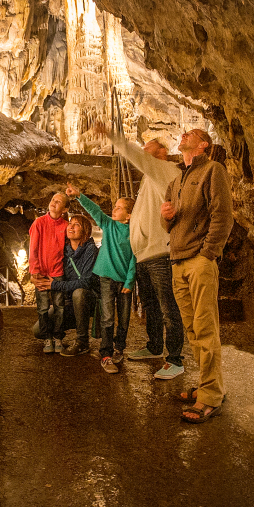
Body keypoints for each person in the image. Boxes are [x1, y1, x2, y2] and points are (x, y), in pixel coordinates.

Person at [94, 122, 184, 379]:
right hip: (144, 255)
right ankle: (155, 347)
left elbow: (135, 156)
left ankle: (175, 358)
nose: (144, 152)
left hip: (160, 254)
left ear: (162, 152)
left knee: (168, 307)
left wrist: (112, 135)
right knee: (151, 307)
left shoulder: (164, 169)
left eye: (149, 149)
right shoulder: (149, 180)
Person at [161, 128, 233, 423]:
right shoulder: (175, 181)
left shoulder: (213, 170)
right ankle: (208, 384)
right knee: (192, 329)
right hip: (177, 261)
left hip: (199, 261)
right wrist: (166, 218)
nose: (183, 135)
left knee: (205, 328)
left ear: (203, 145)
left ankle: (211, 397)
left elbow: (222, 214)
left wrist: (208, 254)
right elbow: (170, 226)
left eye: (190, 133)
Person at [65, 184, 135, 374]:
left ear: (129, 216)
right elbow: (94, 210)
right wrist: (79, 196)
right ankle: (106, 354)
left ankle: (119, 348)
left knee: (125, 318)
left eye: (119, 208)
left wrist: (129, 281)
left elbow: (135, 258)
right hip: (105, 278)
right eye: (115, 206)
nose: (114, 209)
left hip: (124, 282)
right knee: (107, 317)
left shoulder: (134, 232)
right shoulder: (109, 224)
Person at [50, 214, 99, 357]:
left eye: (76, 225)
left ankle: (82, 341)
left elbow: (85, 282)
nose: (71, 226)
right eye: (70, 223)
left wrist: (56, 285)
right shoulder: (63, 250)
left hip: (89, 300)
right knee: (39, 330)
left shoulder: (90, 249)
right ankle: (66, 328)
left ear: (85, 230)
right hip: (70, 301)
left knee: (79, 292)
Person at [29, 192, 69, 354]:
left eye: (59, 202)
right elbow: (33, 248)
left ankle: (58, 337)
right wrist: (35, 270)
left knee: (59, 306)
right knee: (43, 306)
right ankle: (47, 337)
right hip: (42, 273)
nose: (54, 203)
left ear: (64, 209)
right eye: (53, 200)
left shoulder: (66, 226)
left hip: (58, 272)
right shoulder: (39, 223)